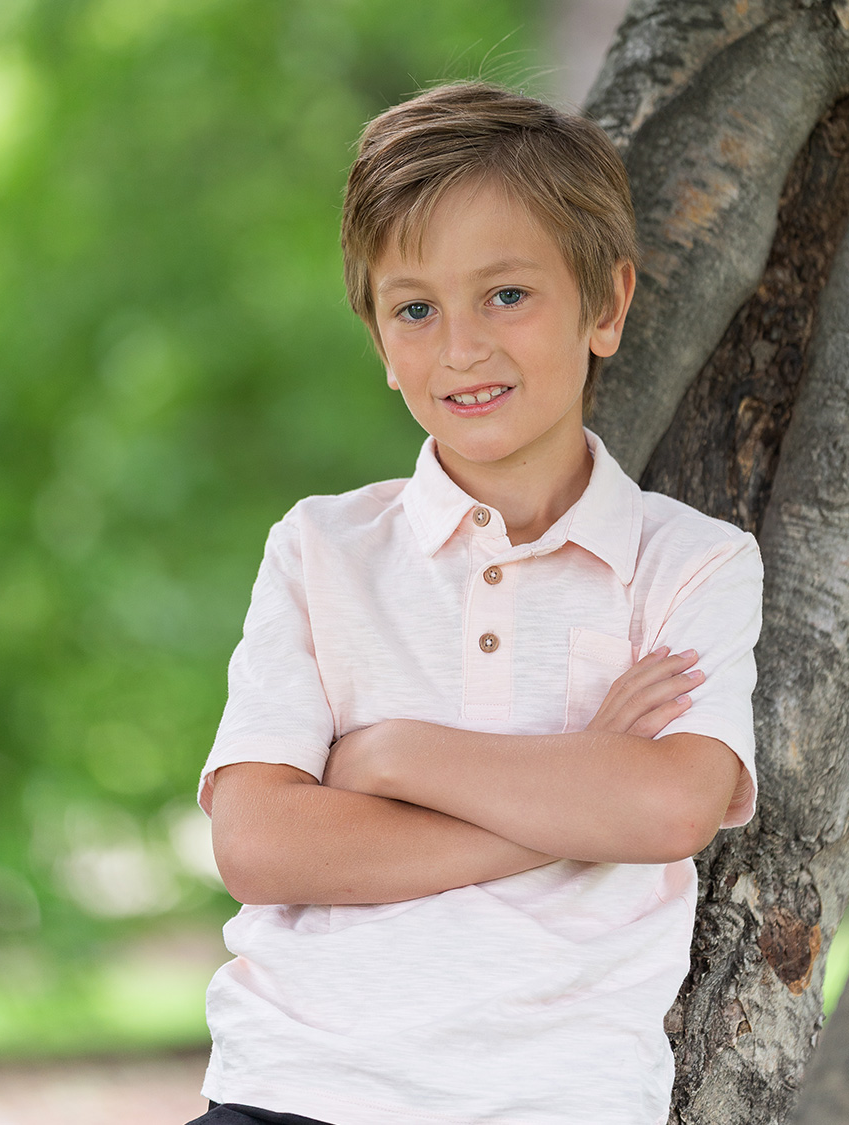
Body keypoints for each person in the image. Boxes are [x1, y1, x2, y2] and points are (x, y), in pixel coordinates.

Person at [187, 82, 762, 1125]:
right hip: (294, 1086)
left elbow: (669, 808)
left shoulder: (689, 563)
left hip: (546, 1099)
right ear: (379, 338)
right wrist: (573, 790)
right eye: (415, 307)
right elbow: (259, 844)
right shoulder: (321, 547)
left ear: (605, 305)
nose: (460, 346)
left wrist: (393, 756)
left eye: (505, 295)